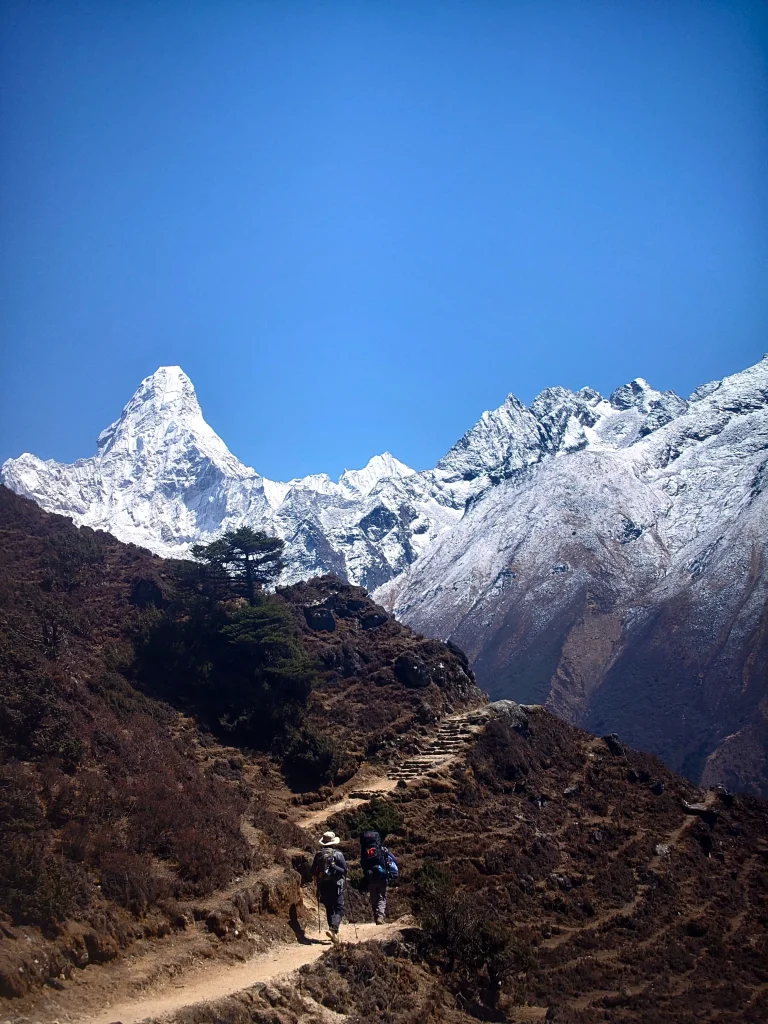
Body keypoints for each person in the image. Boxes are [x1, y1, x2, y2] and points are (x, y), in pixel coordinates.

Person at [311, 830, 348, 940]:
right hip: (336, 884)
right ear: (333, 843)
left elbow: (312, 871)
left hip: (323, 884)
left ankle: (333, 933)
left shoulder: (318, 855)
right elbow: (344, 870)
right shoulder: (338, 854)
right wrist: (334, 868)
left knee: (329, 908)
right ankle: (333, 929)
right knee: (340, 908)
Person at [359, 829, 389, 925]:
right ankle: (380, 916)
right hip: (381, 875)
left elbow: (362, 863)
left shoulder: (364, 850)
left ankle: (376, 917)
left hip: (370, 875)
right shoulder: (381, 849)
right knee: (382, 896)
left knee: (373, 896)